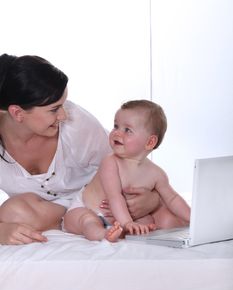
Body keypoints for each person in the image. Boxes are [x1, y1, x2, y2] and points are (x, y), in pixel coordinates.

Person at [0, 54, 160, 245]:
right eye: (54, 109)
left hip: (96, 199)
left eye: (63, 104)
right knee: (12, 212)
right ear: (17, 113)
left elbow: (132, 161)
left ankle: (82, 219)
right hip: (46, 209)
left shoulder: (76, 124)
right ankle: (75, 220)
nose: (64, 114)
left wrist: (154, 198)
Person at [63, 100, 191, 242]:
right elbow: (115, 196)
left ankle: (121, 231)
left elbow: (173, 199)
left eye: (127, 130)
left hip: (124, 217)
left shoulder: (156, 173)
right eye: (116, 126)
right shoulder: (110, 162)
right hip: (89, 208)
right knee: (87, 221)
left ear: (150, 142)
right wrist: (127, 223)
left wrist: (193, 217)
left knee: (149, 221)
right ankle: (103, 234)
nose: (117, 133)